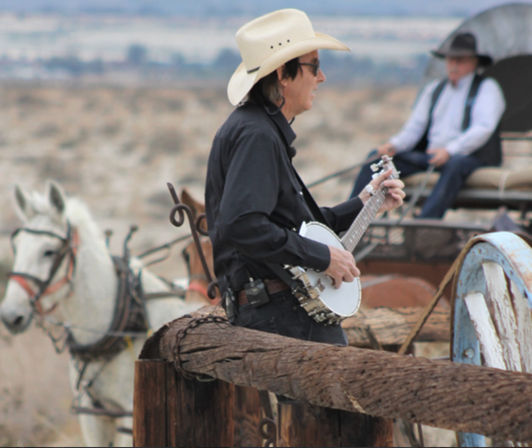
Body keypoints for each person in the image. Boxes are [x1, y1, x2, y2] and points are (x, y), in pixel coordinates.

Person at [204, 9, 405, 347]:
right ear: (284, 73)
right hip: (282, 316)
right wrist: (324, 258)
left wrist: (365, 204)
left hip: (277, 311)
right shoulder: (258, 136)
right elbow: (243, 225)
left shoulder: (256, 129)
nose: (321, 77)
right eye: (314, 66)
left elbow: (296, 228)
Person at [349, 32, 506, 218]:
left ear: (474, 62)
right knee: (376, 160)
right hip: (432, 157)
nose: (454, 65)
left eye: (460, 60)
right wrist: (394, 145)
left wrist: (450, 150)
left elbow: (483, 128)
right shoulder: (435, 89)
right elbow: (415, 127)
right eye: (451, 60)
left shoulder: (487, 88)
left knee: (455, 165)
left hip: (469, 158)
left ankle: (425, 226)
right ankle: (350, 218)